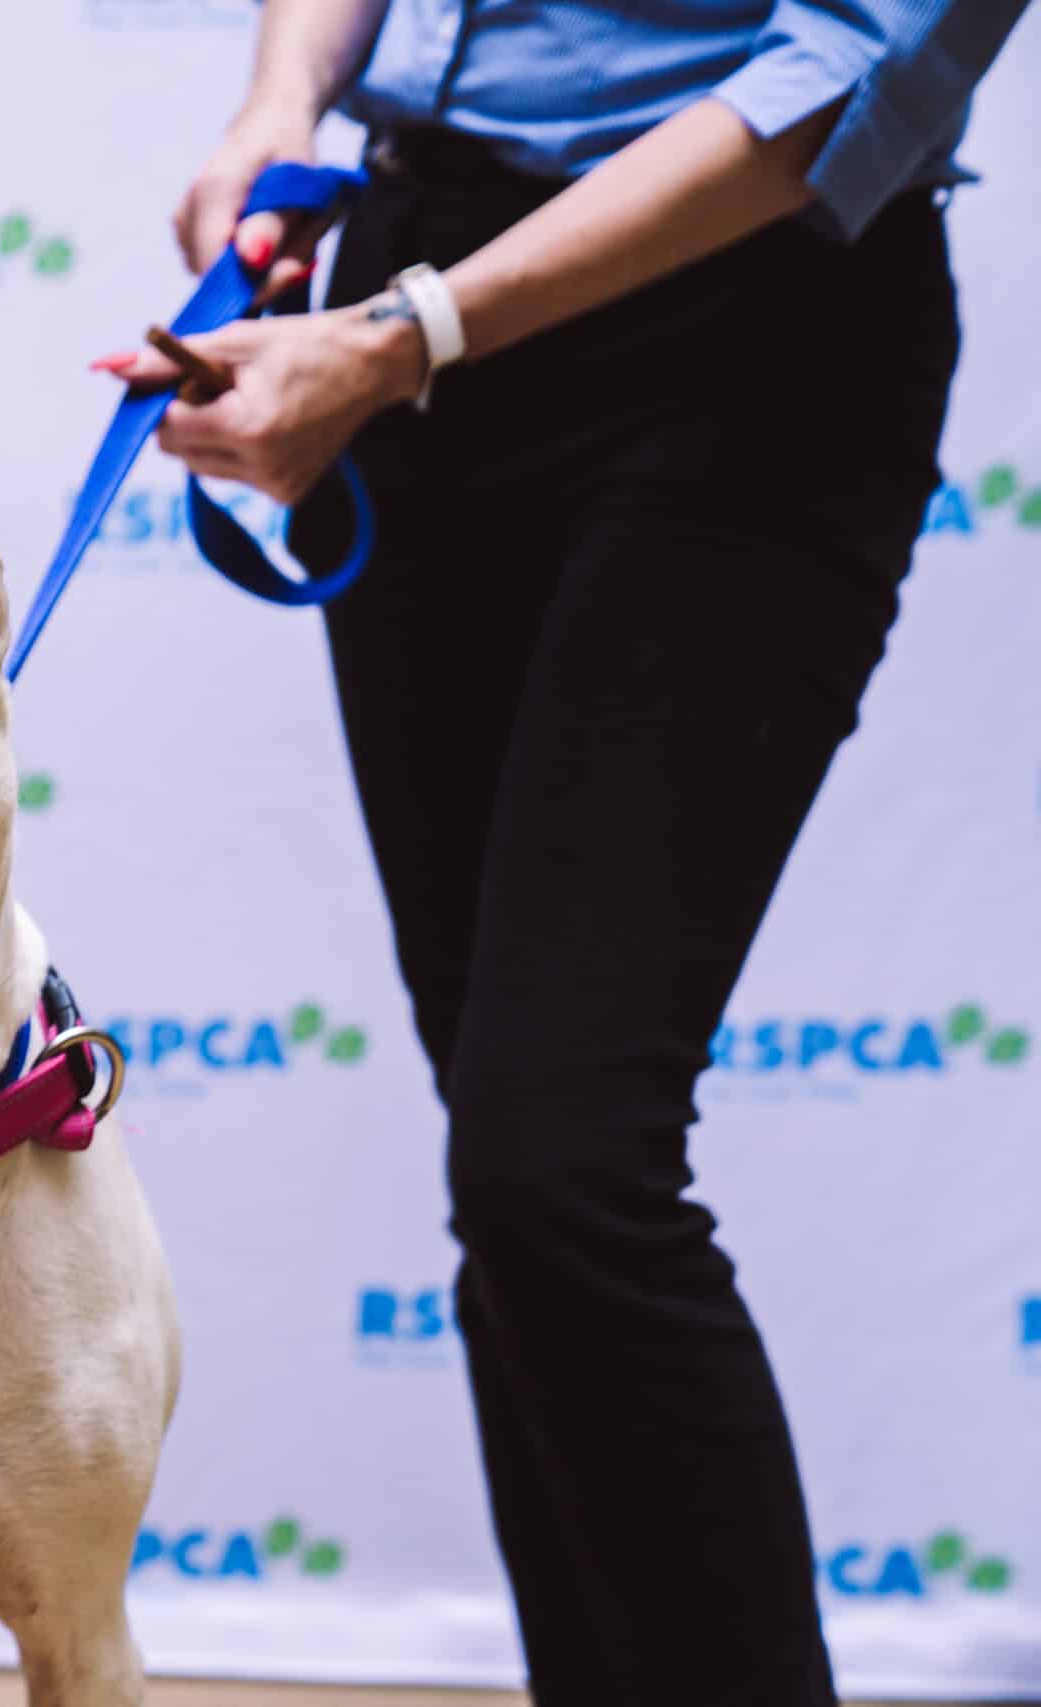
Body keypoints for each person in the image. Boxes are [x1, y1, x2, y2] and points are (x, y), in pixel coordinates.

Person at [105, 1, 1028, 1701]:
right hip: (413, 288)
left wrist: (407, 337)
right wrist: (278, 109)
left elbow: (856, 66)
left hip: (741, 320)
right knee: (515, 1187)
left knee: (561, 1164)